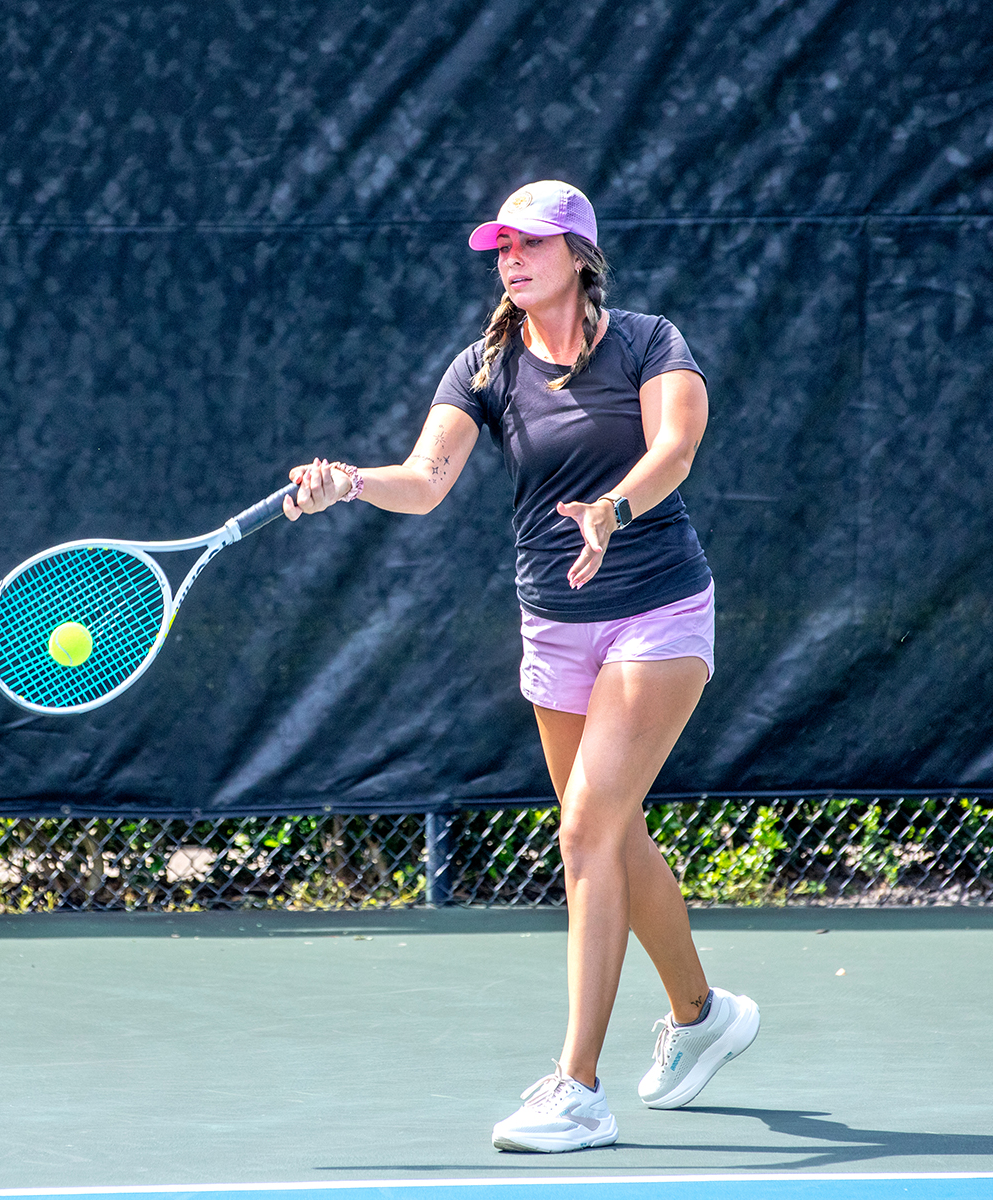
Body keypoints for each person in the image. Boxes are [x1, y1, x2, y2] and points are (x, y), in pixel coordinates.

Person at [280, 180, 759, 1152]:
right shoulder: (485, 366)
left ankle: (579, 1089)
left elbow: (676, 448)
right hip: (554, 627)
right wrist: (348, 484)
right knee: (612, 834)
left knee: (585, 829)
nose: (511, 259)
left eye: (531, 243)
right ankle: (704, 1015)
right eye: (502, 246)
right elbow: (425, 481)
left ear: (579, 254)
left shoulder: (649, 343)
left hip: (657, 613)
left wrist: (611, 510)